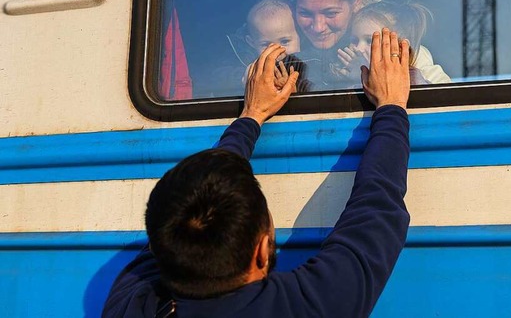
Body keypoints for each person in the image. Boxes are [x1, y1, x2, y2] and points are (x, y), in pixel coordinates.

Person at [102, 28, 411, 318]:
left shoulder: (129, 304)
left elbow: (377, 209)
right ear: (262, 252)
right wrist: (392, 103)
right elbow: (377, 206)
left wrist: (251, 115)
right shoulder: (307, 305)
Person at [336, 1, 451, 86]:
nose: (359, 48)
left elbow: (441, 99)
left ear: (399, 47)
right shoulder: (343, 72)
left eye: (370, 41)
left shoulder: (423, 72)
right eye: (354, 40)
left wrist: (366, 78)